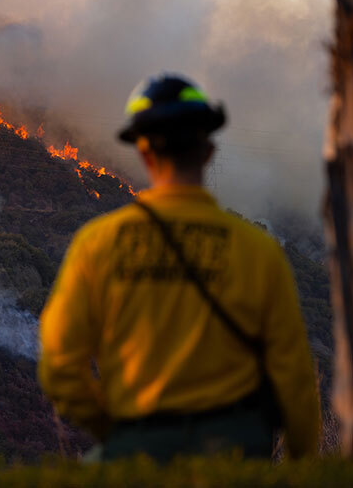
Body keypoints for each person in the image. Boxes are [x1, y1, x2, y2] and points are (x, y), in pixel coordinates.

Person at [38, 74, 320, 461]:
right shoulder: (259, 252)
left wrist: (118, 433)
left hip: (136, 454)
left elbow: (59, 366)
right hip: (234, 461)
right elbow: (296, 381)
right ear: (207, 151)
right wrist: (299, 466)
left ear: (143, 152)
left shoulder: (98, 244)